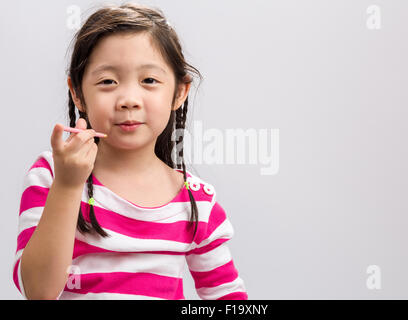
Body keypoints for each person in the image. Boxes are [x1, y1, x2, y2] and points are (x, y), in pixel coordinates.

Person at [12, 2, 248, 300]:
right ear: (77, 93)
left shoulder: (196, 201)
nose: (129, 99)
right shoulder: (52, 175)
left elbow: (227, 297)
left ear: (179, 92)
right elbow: (37, 291)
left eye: (149, 80)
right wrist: (68, 185)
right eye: (108, 81)